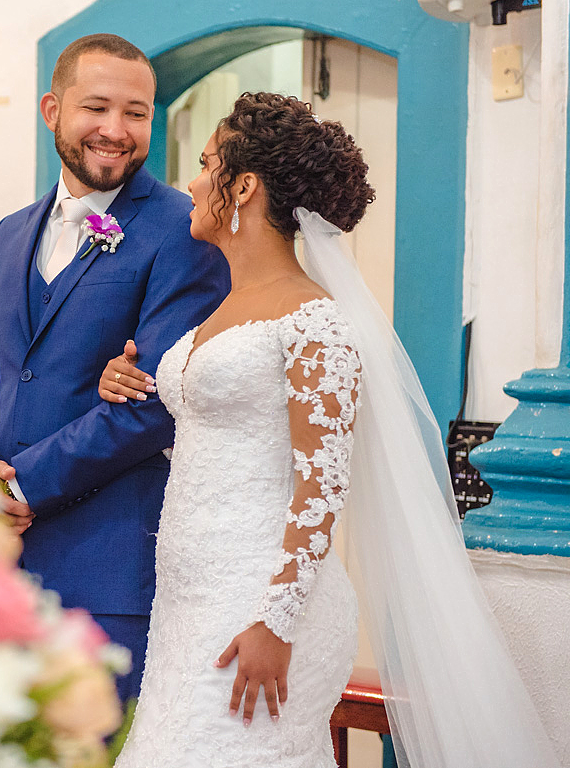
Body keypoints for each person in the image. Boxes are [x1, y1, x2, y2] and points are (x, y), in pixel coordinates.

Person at [100, 92, 558, 767]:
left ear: (245, 185)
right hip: (187, 600)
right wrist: (126, 381)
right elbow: (221, 441)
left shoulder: (317, 321)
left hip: (264, 606)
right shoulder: (219, 308)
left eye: (204, 164)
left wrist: (276, 619)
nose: (190, 183)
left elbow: (322, 481)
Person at [0, 33, 228, 701]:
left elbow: (151, 401)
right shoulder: (9, 232)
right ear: (52, 109)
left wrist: (15, 490)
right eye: (96, 107)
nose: (116, 130)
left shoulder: (182, 230)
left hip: (105, 568)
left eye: (136, 112)